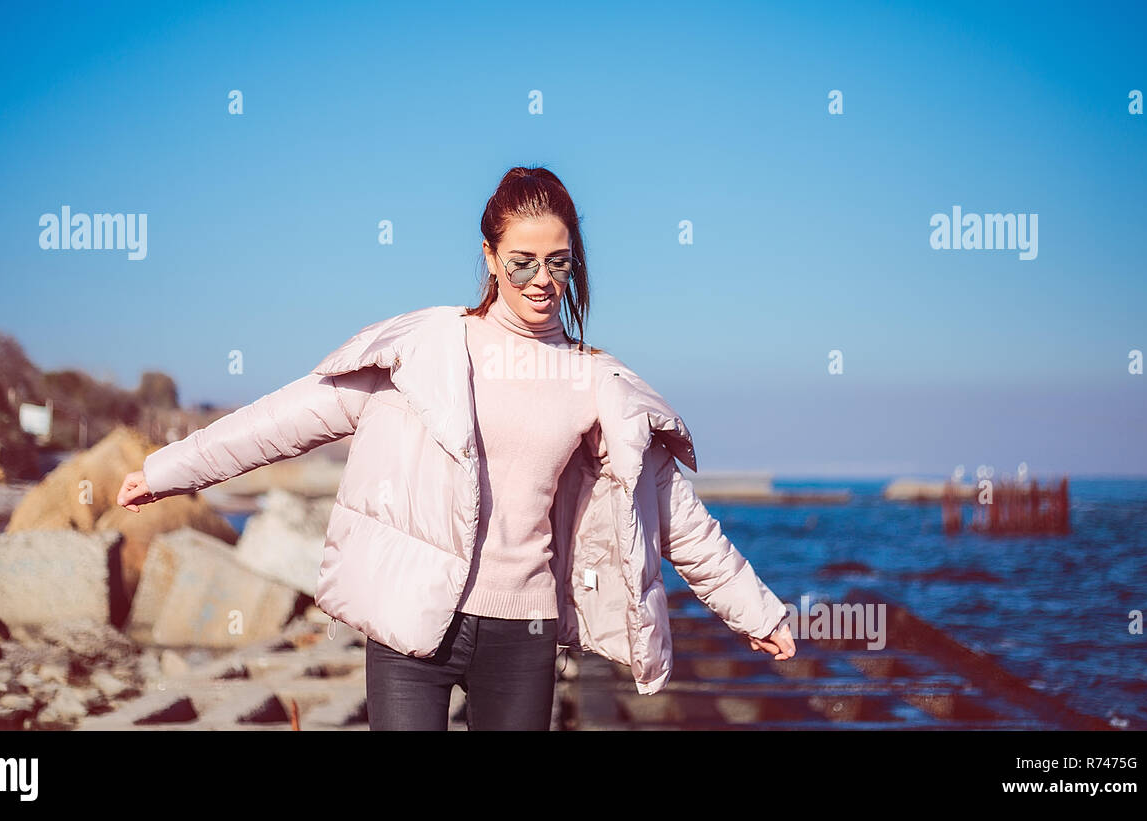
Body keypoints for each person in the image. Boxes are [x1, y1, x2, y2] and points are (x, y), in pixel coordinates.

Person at [116, 166, 795, 731]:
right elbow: (285, 419)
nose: (540, 279)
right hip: (414, 624)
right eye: (521, 260)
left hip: (523, 635)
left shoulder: (595, 381)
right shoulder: (425, 350)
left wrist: (755, 610)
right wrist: (167, 470)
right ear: (490, 255)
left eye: (557, 261)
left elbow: (675, 514)